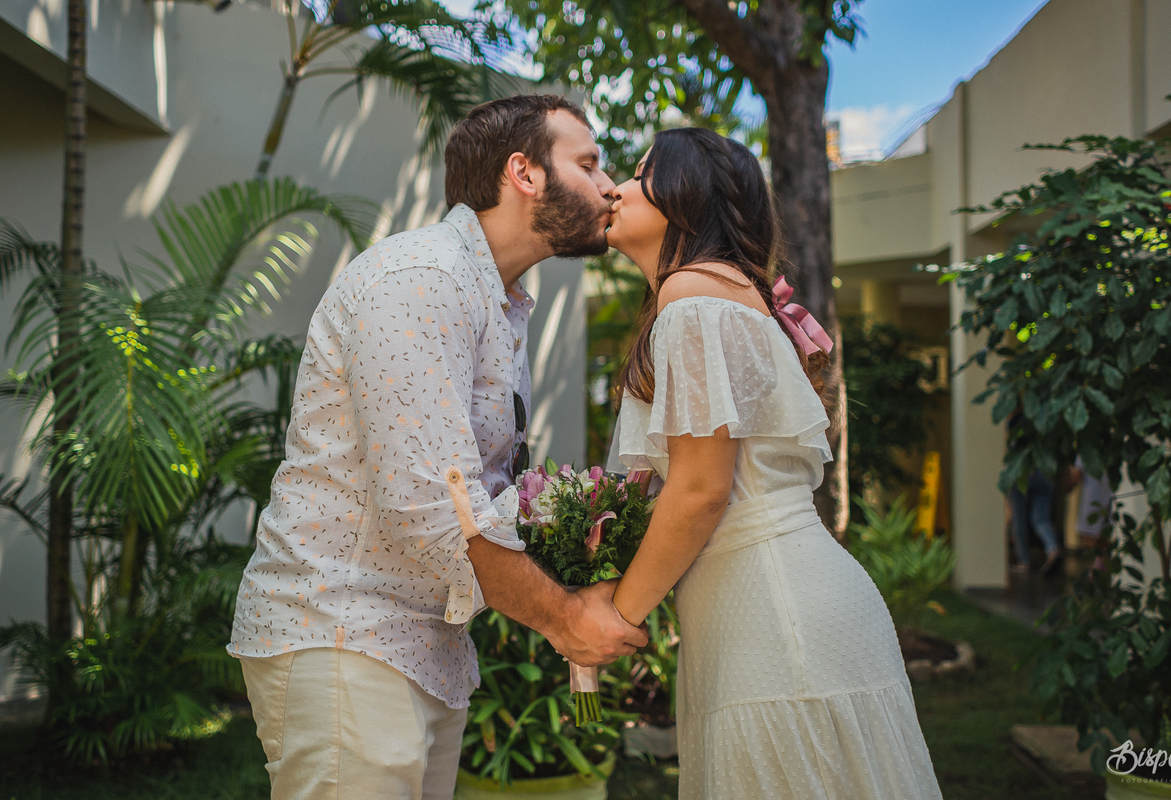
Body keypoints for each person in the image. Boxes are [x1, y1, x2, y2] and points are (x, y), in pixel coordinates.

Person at [228, 95, 648, 800]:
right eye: (588, 162)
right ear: (525, 173)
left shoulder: (498, 298)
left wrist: (583, 529)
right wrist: (566, 619)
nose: (608, 187)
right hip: (344, 633)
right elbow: (431, 511)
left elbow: (480, 496)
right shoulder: (422, 280)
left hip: (420, 647)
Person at [603, 128, 943, 799]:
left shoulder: (693, 295)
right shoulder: (726, 293)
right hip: (780, 604)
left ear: (685, 196)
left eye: (641, 173)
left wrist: (618, 615)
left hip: (777, 617)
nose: (616, 187)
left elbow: (700, 491)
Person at [1005, 411, 1063, 576]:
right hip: (1043, 473)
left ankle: (1024, 561)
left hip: (1021, 474)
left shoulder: (1013, 425)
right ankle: (1053, 549)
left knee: (1019, 520)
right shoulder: (1041, 423)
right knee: (1041, 519)